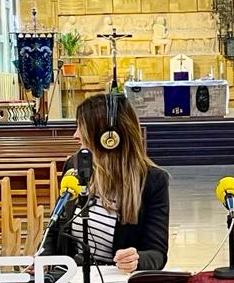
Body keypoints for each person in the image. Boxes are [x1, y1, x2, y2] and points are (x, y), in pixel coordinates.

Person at [52, 94, 170, 273]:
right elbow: (55, 227)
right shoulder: (74, 166)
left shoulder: (152, 181)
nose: (75, 135)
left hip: (118, 282)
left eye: (81, 127)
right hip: (71, 279)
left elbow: (157, 253)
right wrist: (41, 260)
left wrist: (136, 260)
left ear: (109, 138)